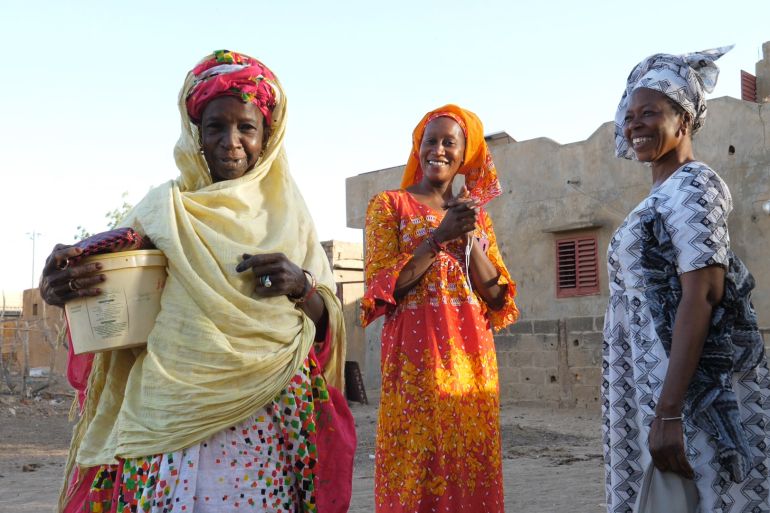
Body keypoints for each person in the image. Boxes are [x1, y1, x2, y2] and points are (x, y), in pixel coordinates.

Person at [39, 50, 355, 513]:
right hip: (168, 418)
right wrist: (60, 287)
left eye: (246, 128)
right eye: (215, 127)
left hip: (266, 418)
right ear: (196, 135)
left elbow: (328, 324)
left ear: (267, 135)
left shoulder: (291, 216)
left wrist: (301, 287)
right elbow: (103, 287)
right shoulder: (162, 210)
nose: (231, 142)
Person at [602, 46, 770, 513]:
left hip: (679, 384)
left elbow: (704, 294)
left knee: (701, 492)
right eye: (629, 115)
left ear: (685, 120)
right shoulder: (659, 194)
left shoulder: (695, 184)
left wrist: (670, 410)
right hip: (646, 376)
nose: (634, 124)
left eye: (649, 113)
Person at [362, 105, 519, 513]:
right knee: (416, 462)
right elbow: (384, 288)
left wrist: (467, 237)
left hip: (472, 361)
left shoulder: (476, 218)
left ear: (465, 153)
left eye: (450, 142)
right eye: (429, 141)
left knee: (469, 459)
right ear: (418, 148)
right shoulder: (389, 206)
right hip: (415, 363)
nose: (439, 150)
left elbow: (497, 296)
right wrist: (437, 238)